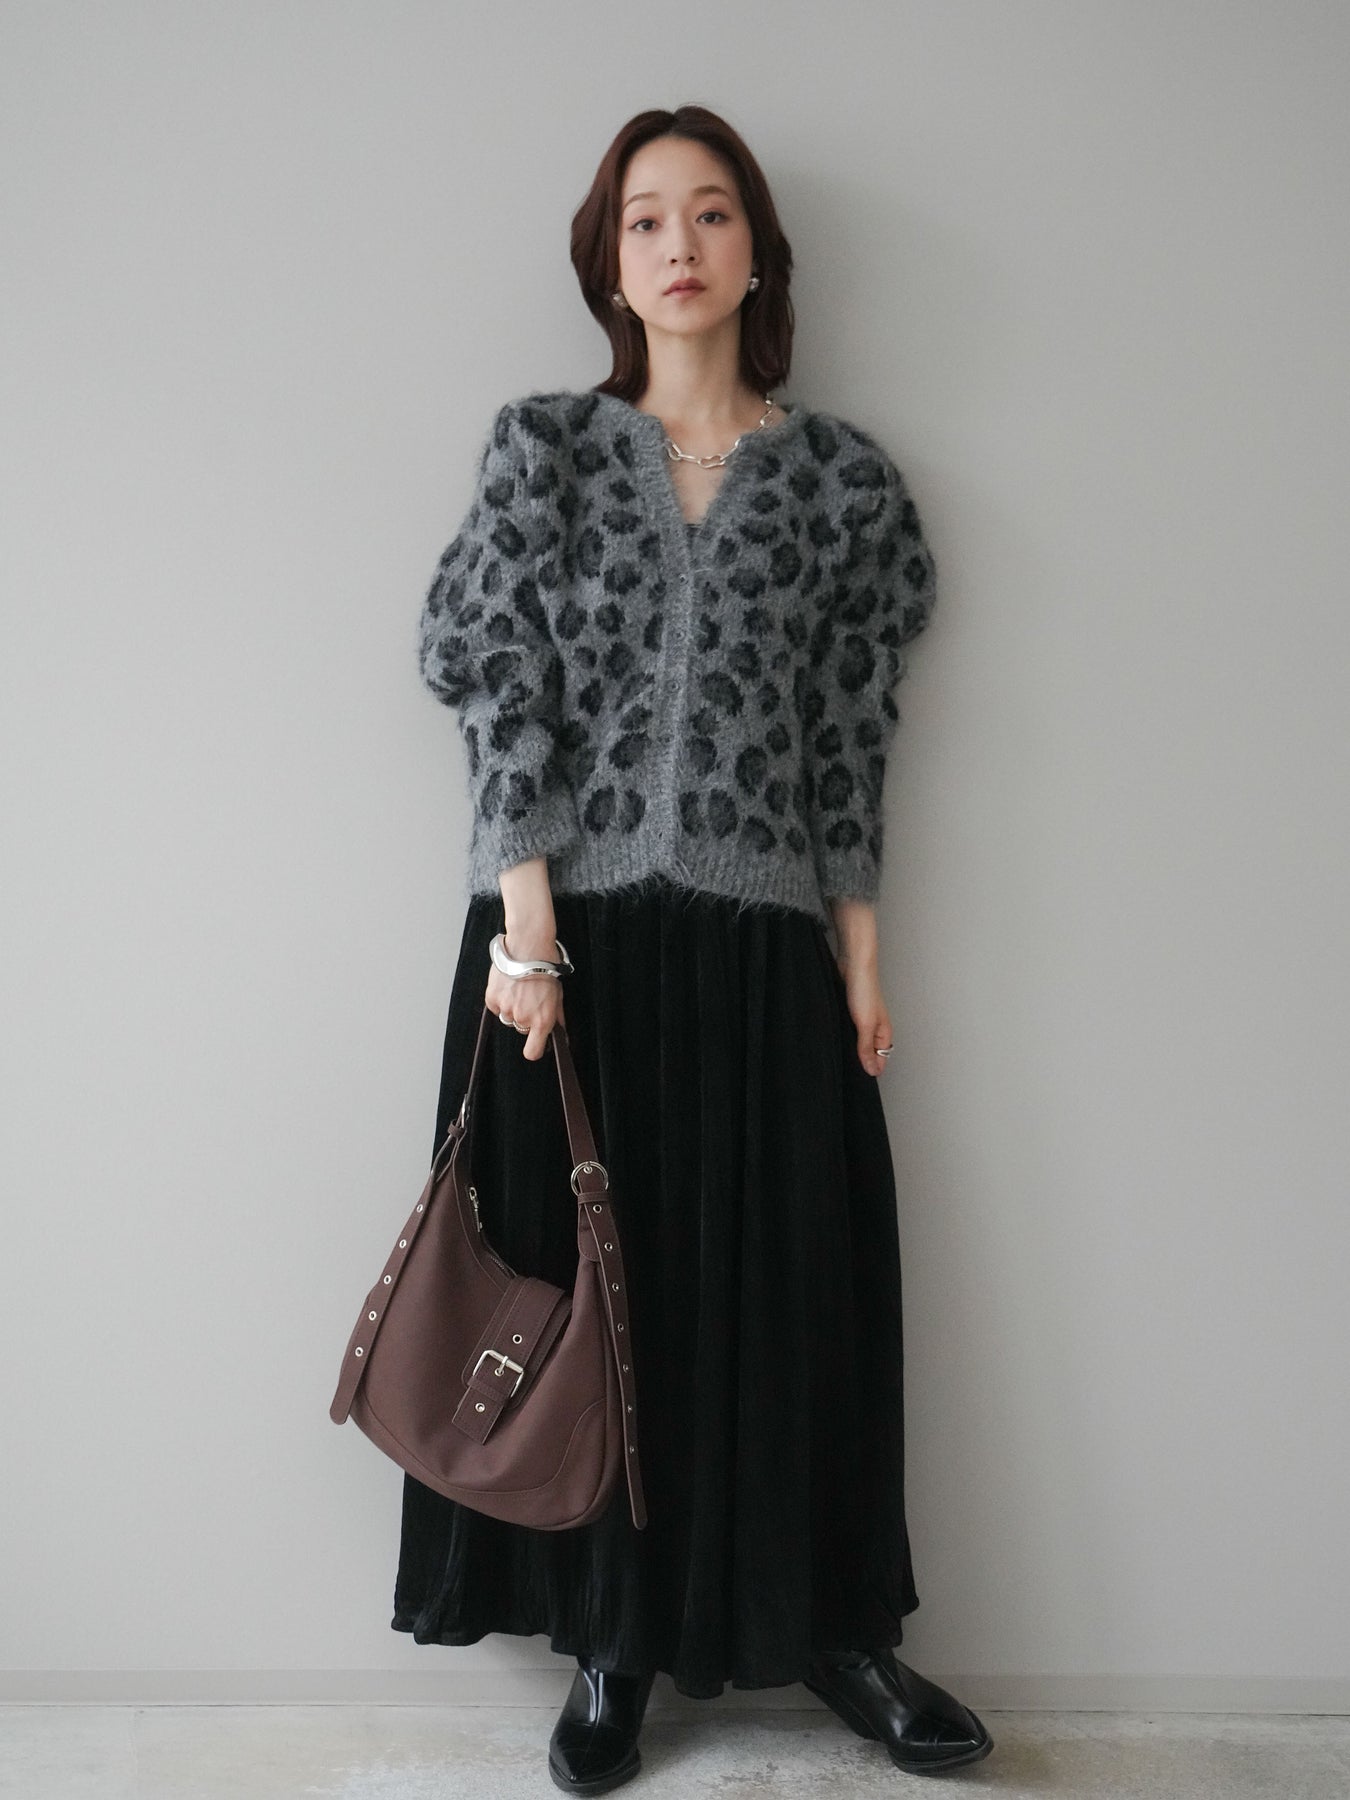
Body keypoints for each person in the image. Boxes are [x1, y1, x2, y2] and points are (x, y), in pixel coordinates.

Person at [391, 103, 993, 1791]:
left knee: (797, 1290)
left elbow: (848, 739)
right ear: (608, 262)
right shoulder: (543, 453)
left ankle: (838, 1629)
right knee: (595, 1299)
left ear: (755, 254)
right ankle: (613, 1641)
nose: (677, 244)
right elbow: (488, 680)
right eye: (645, 218)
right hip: (562, 946)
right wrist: (525, 929)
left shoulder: (843, 487)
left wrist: (859, 957)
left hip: (761, 943)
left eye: (710, 213)